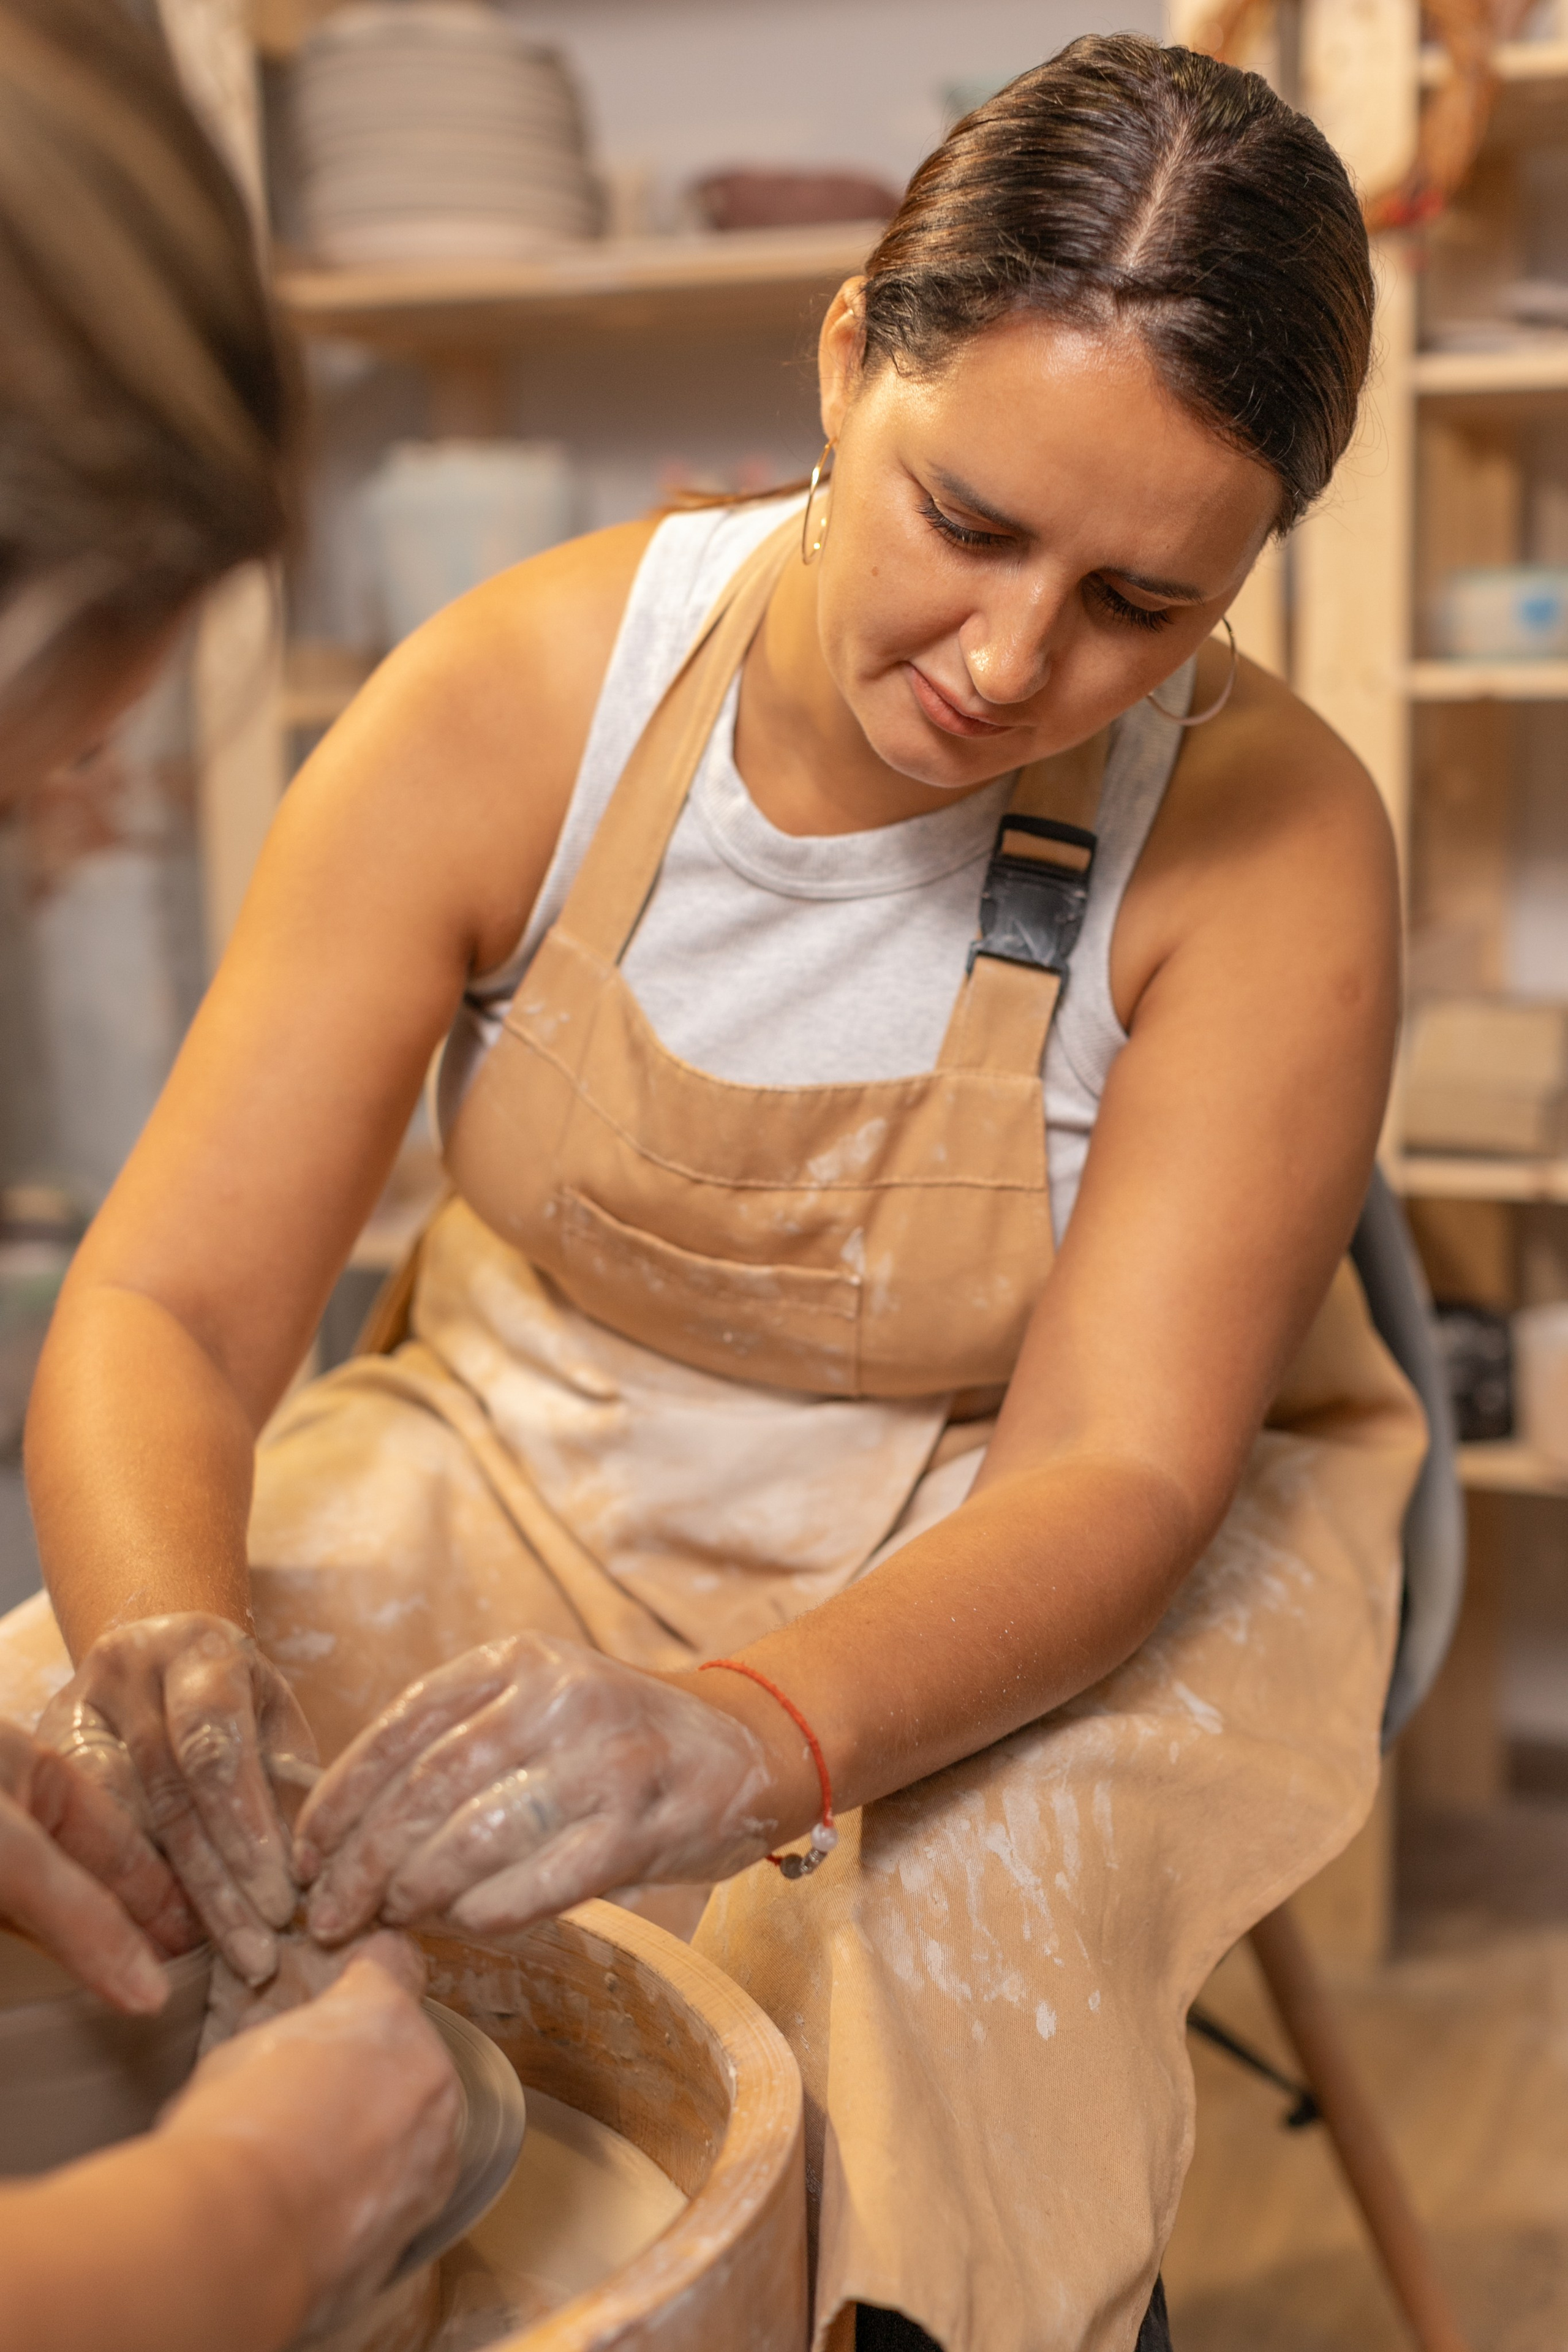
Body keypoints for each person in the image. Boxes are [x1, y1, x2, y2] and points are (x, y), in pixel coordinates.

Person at [9, 33, 1427, 2352]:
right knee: (103, 1775)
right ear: (852, 349)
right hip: (540, 1411)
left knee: (932, 1956)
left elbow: (1121, 1464)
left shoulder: (1277, 841)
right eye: (967, 523)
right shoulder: (511, 700)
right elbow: (166, 1305)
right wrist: (166, 1639)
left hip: (1028, 1501)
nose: (1009, 664)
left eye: (1138, 609)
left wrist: (755, 1732)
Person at [0, 0, 462, 2344]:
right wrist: (279, 2200)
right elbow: (163, 1302)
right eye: (26, 777)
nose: (76, 836)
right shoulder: (496, 704)